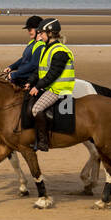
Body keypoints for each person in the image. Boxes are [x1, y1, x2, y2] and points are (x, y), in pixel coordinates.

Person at [27, 18, 75, 151]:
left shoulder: (60, 51)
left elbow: (53, 74)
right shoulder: (46, 48)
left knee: (36, 109)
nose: (40, 36)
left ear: (50, 34)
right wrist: (30, 82)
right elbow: (40, 70)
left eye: (42, 33)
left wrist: (37, 86)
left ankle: (43, 141)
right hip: (49, 86)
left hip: (59, 89)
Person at [5, 15, 47, 132]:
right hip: (21, 76)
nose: (28, 32)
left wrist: (16, 74)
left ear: (38, 29)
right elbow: (23, 59)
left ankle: (29, 129)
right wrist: (11, 67)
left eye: (30, 29)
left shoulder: (41, 45)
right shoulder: (32, 43)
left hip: (30, 80)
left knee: (27, 106)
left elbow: (33, 65)